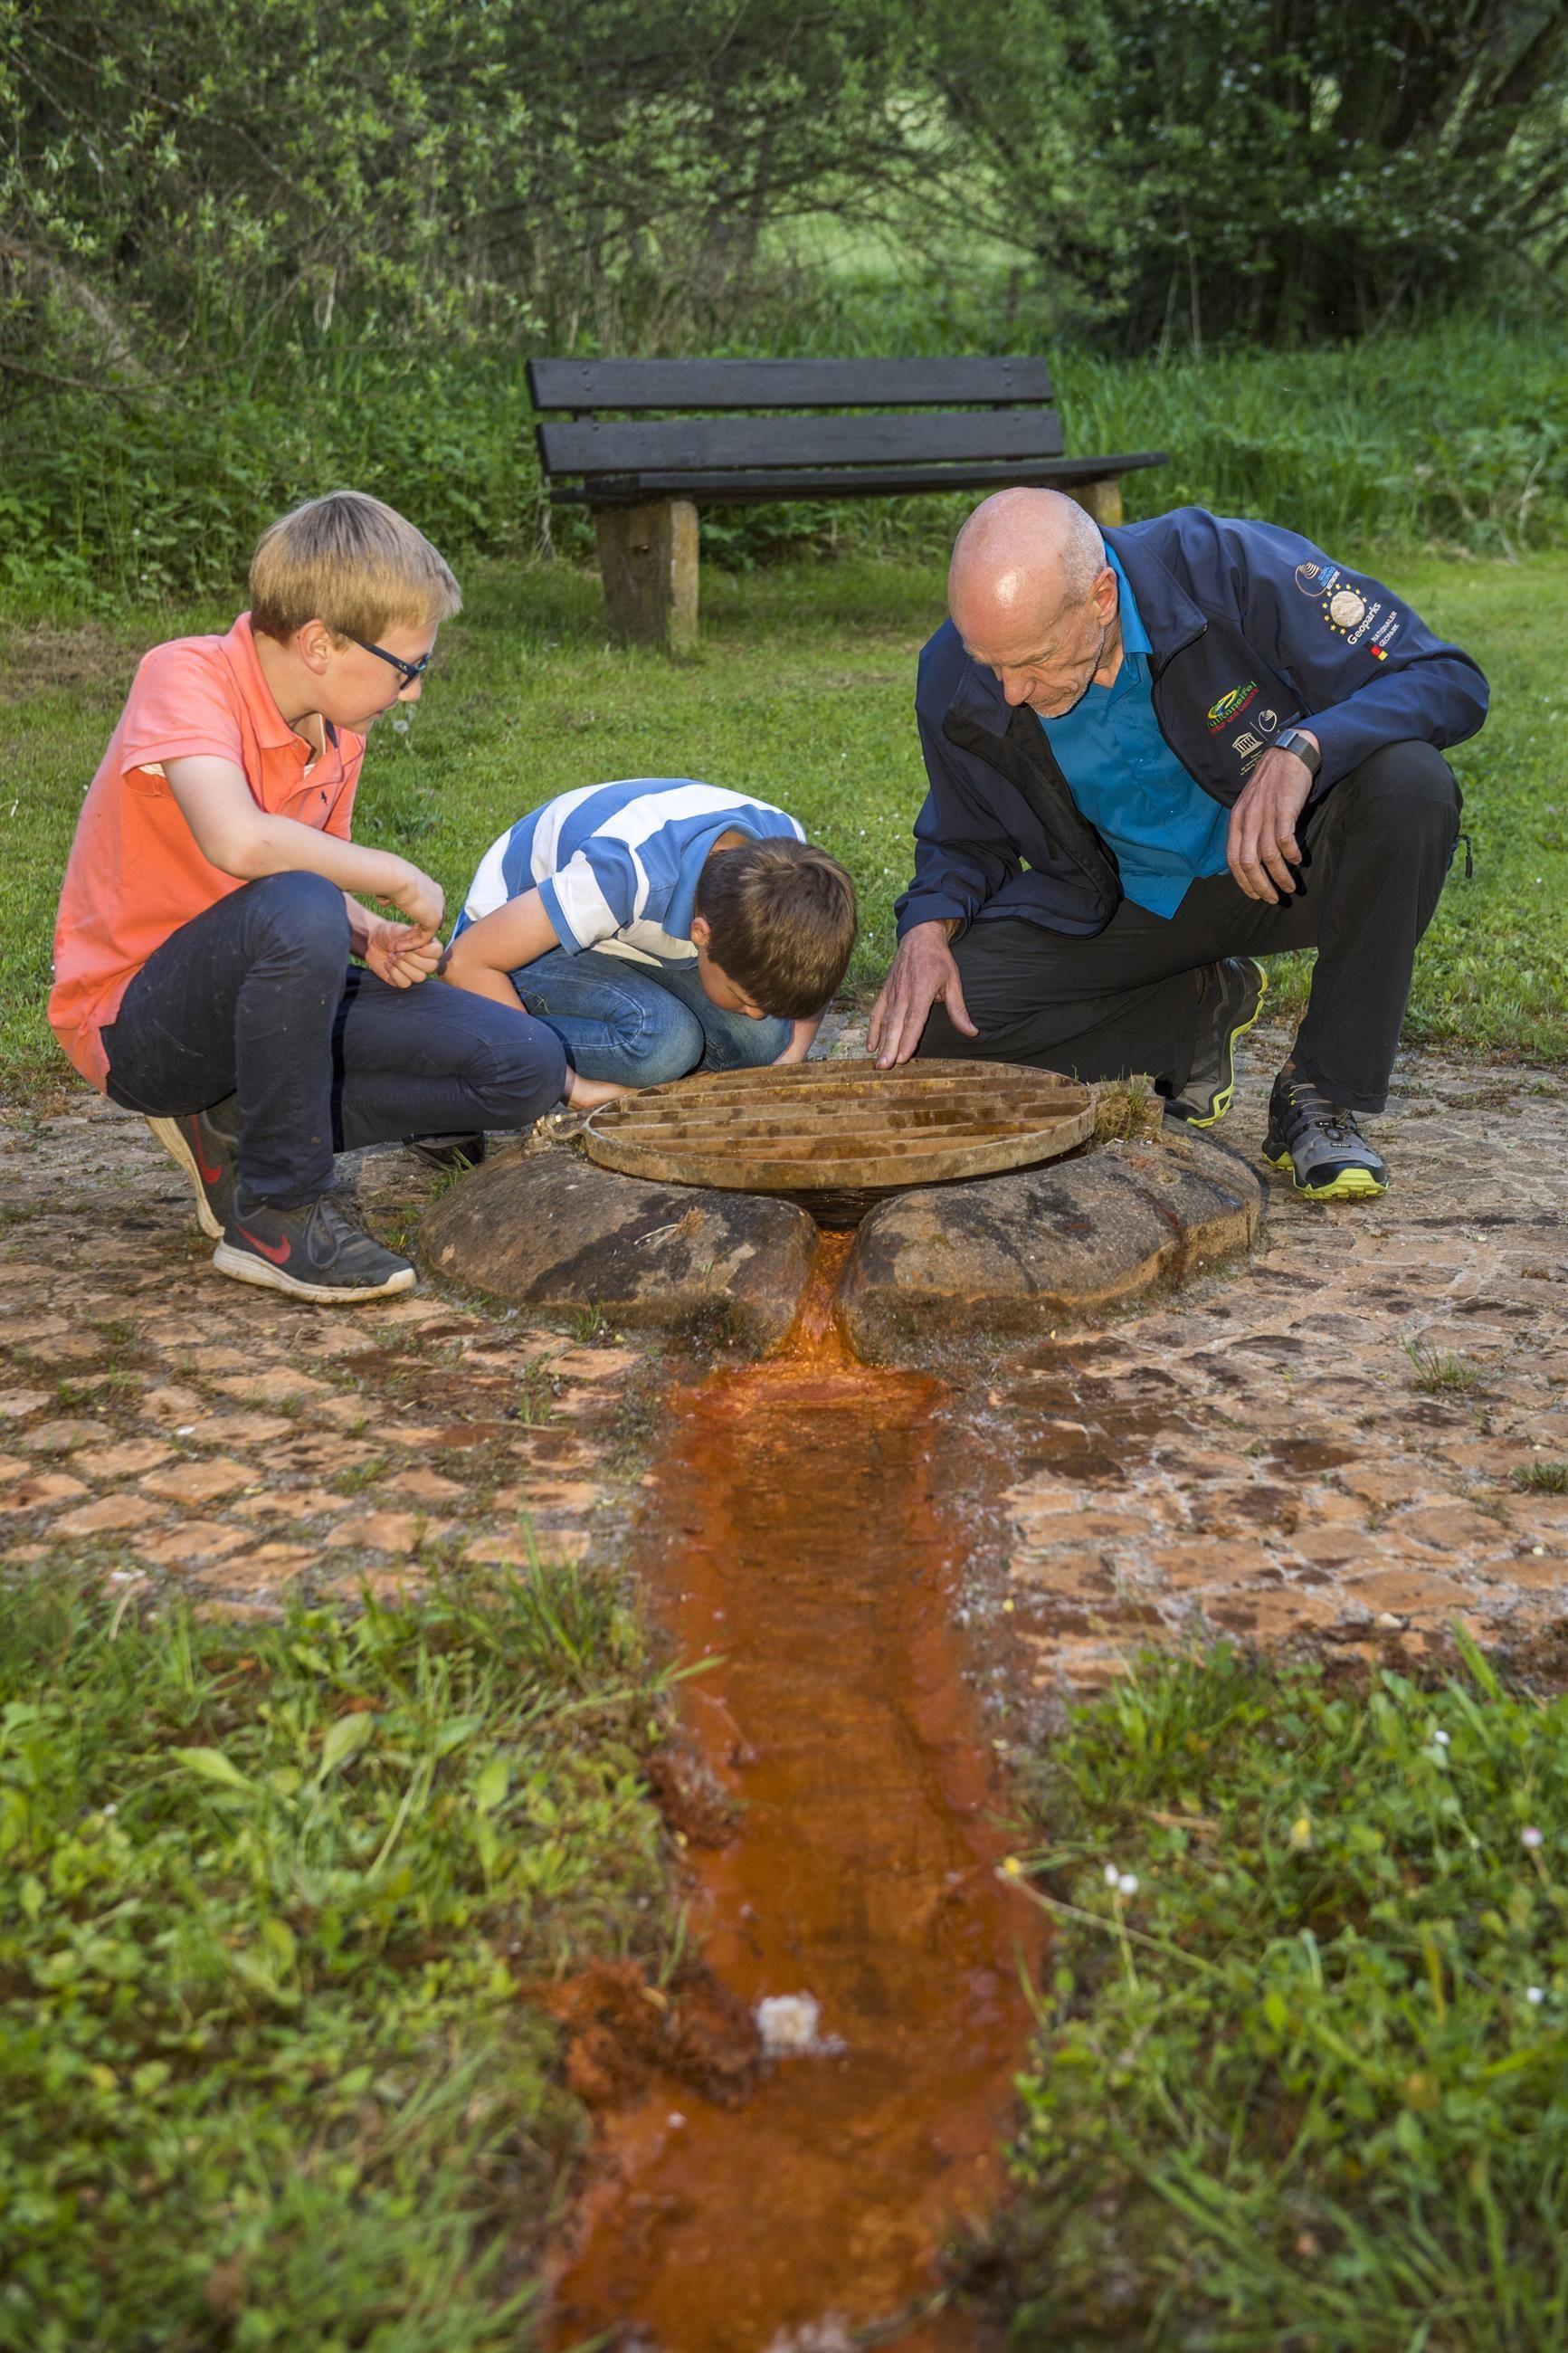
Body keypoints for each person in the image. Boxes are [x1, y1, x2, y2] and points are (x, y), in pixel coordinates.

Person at [49, 491, 599, 1304]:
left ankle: (240, 1125)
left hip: (266, 982)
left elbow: (295, 885)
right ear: (319, 644)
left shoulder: (337, 733)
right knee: (302, 905)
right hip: (140, 1025)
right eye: (407, 668)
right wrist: (391, 875)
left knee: (526, 1066)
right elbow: (239, 843)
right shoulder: (185, 674)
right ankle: (278, 1214)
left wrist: (367, 932)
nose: (412, 692)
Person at [867, 489, 1488, 1200]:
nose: (1009, 691)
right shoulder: (952, 673)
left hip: (1290, 867)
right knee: (931, 1032)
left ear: (1101, 597)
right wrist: (926, 929)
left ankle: (1319, 1089)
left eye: (1033, 660)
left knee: (1410, 784)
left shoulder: (1227, 566)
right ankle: (1189, 1011)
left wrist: (1306, 747)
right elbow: (964, 836)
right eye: (990, 663)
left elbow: (1445, 679)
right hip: (1126, 904)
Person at [441, 779, 858, 1087]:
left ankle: (667, 1068)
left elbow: (816, 961)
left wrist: (793, 1055)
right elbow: (464, 961)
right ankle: (465, 1047)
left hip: (616, 931)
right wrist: (570, 1087)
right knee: (663, 1043)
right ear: (702, 934)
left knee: (764, 1041)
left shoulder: (792, 862)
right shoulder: (621, 876)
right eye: (747, 999)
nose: (757, 1011)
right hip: (509, 944)